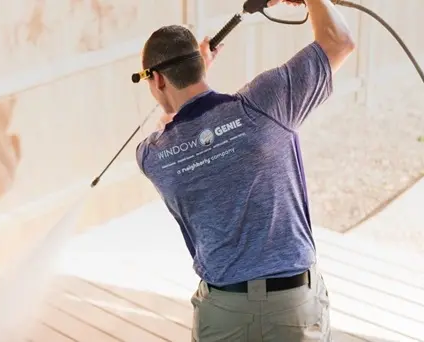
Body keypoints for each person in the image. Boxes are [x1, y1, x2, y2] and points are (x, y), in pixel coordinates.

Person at [133, 0, 355, 341]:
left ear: (157, 79)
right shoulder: (264, 103)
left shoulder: (153, 157)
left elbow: (177, 125)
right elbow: (340, 42)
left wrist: (191, 77)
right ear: (199, 66)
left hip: (224, 313)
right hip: (293, 305)